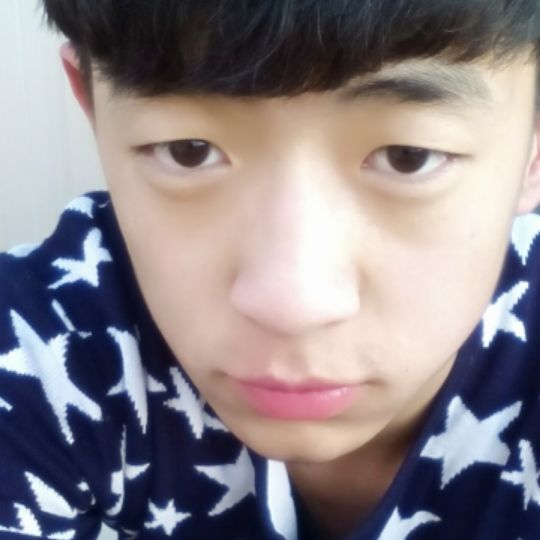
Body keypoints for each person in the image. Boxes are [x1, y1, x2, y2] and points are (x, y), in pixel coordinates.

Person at [1, 1, 540, 539]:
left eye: (408, 156)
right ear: (92, 105)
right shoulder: (41, 350)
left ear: (533, 146)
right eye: (188, 151)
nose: (290, 304)